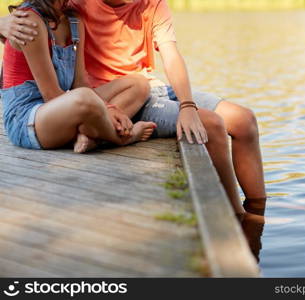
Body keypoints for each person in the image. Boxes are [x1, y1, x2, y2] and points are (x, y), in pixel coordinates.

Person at [0, 0, 267, 217]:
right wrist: (3, 22)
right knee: (211, 124)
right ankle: (236, 218)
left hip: (133, 90)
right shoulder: (67, 8)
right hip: (62, 106)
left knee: (243, 120)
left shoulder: (86, 15)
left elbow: (169, 56)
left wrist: (187, 104)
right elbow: (51, 83)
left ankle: (257, 211)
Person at [0, 0, 156, 154]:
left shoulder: (74, 20)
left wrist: (107, 107)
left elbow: (80, 83)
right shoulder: (29, 20)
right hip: (28, 120)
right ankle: (121, 138)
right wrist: (107, 109)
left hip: (63, 107)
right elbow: (51, 94)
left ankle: (91, 135)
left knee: (139, 84)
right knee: (85, 98)